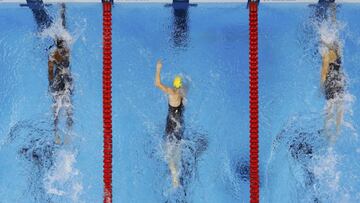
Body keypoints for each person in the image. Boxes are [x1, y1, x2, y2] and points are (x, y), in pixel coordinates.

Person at [155, 59, 185, 188]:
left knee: (168, 154)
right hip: (180, 126)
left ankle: (174, 178)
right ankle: (177, 175)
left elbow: (157, 84)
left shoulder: (173, 93)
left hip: (171, 127)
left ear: (174, 86)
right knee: (177, 150)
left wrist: (158, 69)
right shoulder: (183, 94)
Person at [48, 4, 73, 145]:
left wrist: (51, 83)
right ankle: (60, 132)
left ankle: (57, 132)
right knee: (66, 107)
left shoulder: (55, 53)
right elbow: (51, 70)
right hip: (63, 81)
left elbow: (50, 71)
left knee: (59, 107)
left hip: (60, 81)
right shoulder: (62, 51)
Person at [320, 4, 345, 143]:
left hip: (331, 80)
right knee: (340, 104)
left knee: (330, 106)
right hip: (340, 79)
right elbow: (334, 27)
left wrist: (321, 84)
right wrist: (333, 11)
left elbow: (324, 67)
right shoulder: (337, 47)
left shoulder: (327, 51)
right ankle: (337, 131)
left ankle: (327, 133)